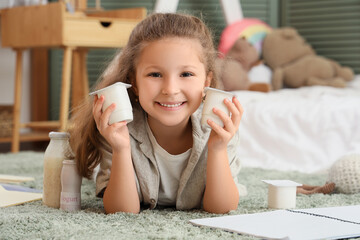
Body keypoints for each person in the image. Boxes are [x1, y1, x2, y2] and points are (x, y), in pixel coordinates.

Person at [69, 13, 246, 214]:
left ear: (206, 82)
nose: (170, 89)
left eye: (186, 74)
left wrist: (217, 148)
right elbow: (121, 212)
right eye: (155, 74)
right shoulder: (117, 127)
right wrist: (121, 149)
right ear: (134, 83)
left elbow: (221, 209)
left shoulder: (219, 129)